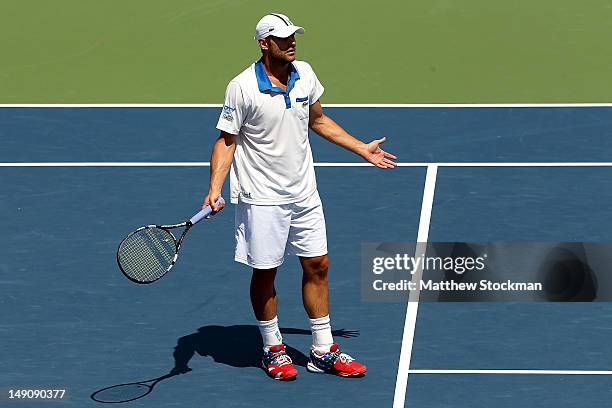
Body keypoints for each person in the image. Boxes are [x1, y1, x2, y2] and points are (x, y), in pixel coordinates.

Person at [203, 13, 396, 381]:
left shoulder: (305, 73)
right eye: (282, 38)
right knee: (266, 272)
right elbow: (226, 141)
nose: (291, 42)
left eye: (294, 36)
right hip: (261, 196)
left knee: (318, 265)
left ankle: (323, 350)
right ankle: (273, 349)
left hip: (304, 191)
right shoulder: (241, 87)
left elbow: (318, 119)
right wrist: (215, 188)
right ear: (264, 43)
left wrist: (361, 149)